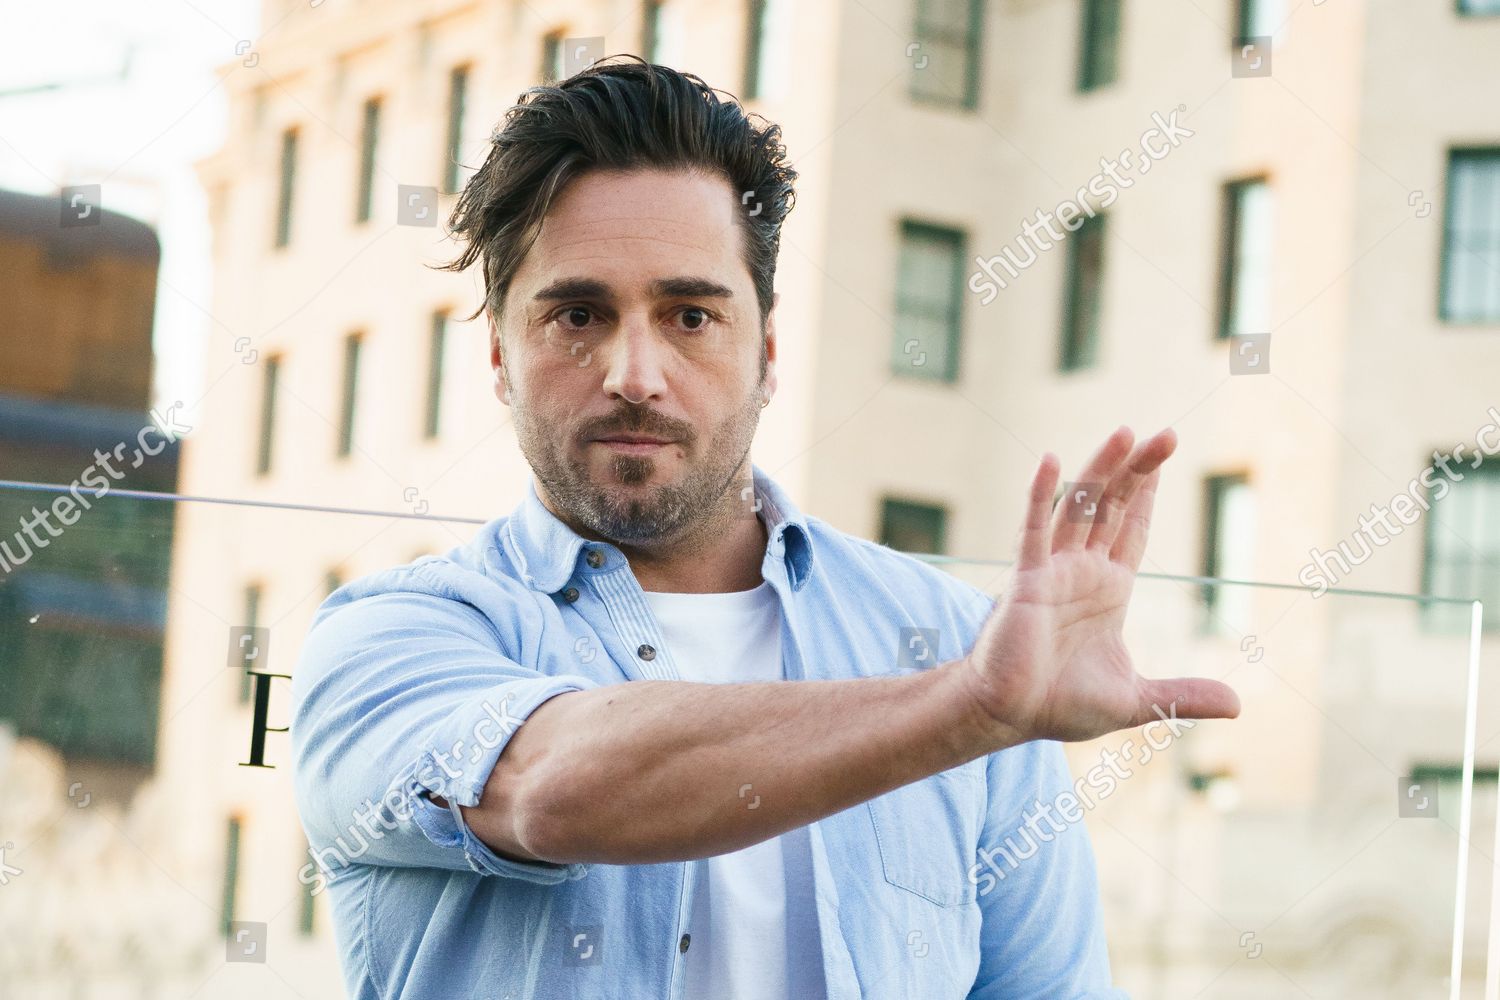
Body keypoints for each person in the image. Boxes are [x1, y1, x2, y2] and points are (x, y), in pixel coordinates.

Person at [290, 56, 1239, 1000]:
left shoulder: (964, 643)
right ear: (500, 354)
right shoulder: (386, 640)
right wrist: (967, 713)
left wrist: (980, 701)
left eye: (690, 315)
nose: (634, 373)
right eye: (578, 314)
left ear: (769, 348)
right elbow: (553, 789)